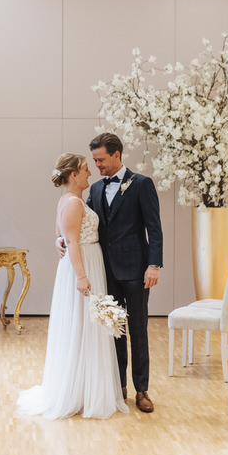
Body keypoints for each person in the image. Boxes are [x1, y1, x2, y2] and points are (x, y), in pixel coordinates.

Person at [17, 153, 128, 420]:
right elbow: (73, 241)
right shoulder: (73, 203)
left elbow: (62, 235)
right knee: (82, 326)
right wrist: (81, 276)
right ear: (75, 175)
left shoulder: (71, 201)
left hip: (89, 263)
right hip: (83, 265)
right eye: (86, 170)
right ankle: (80, 391)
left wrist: (59, 240)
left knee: (86, 327)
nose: (90, 173)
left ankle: (88, 387)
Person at [77, 132, 163, 413]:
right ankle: (118, 387)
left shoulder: (141, 184)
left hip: (137, 272)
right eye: (94, 160)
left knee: (138, 330)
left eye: (101, 159)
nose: (98, 165)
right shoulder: (95, 191)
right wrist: (60, 239)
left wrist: (154, 265)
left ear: (116, 155)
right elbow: (85, 223)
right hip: (106, 273)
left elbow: (154, 228)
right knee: (114, 331)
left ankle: (141, 390)